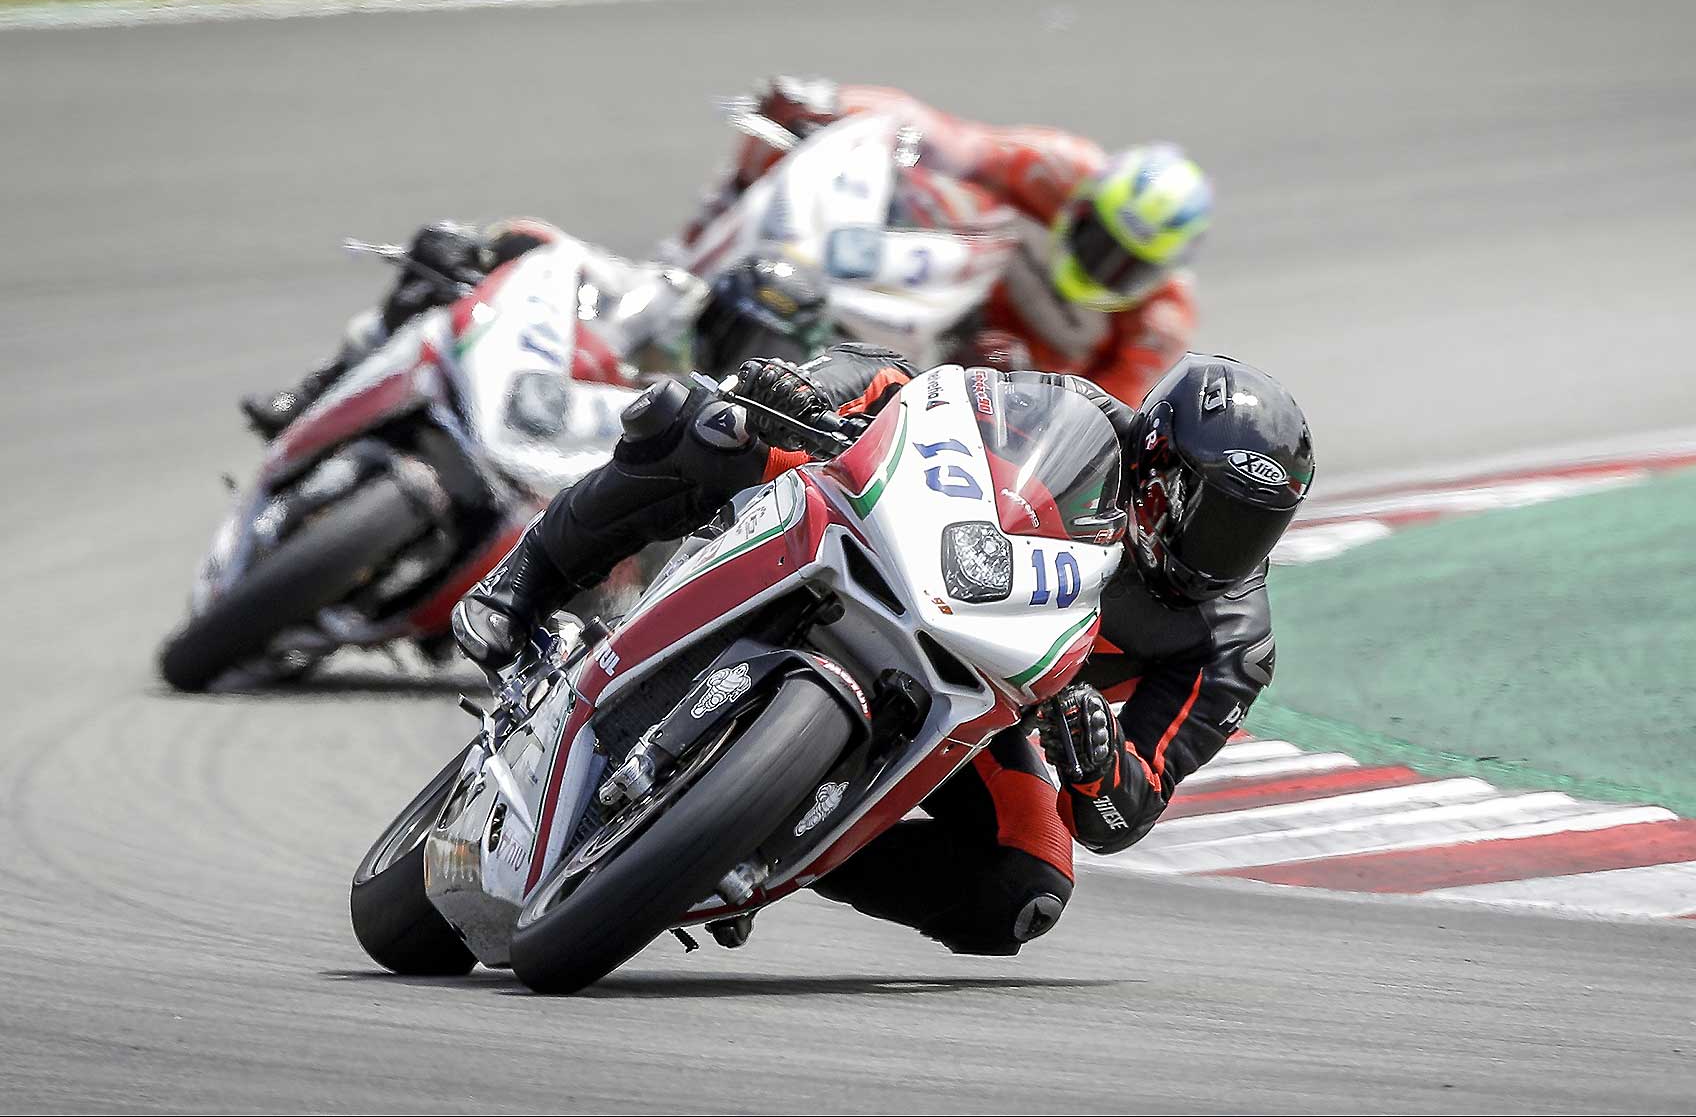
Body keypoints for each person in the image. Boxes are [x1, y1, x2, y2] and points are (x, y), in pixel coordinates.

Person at [451, 345, 1312, 957]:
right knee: (710, 420)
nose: (1220, 551)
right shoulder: (1083, 416)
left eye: (1251, 530)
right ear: (1159, 462)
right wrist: (813, 389)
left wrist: (1095, 761)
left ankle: (763, 842)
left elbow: (1128, 810)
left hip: (996, 699)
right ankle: (522, 581)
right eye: (1212, 513)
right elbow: (924, 388)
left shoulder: (1232, 644)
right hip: (904, 547)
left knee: (1029, 888)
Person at [679, 77, 1213, 406]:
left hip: (994, 397)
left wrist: (1028, 387)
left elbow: (1108, 420)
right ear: (1083, 201)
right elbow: (942, 137)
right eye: (1097, 238)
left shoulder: (1159, 329)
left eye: (1126, 266)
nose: (1099, 266)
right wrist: (828, 101)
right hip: (946, 279)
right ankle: (698, 253)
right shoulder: (1055, 167)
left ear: (1163, 272)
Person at [241, 220, 831, 440]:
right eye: (743, 329)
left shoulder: (735, 427)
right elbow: (572, 255)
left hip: (576, 462)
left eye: (771, 348)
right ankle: (313, 392)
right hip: (531, 377)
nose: (748, 353)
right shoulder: (665, 295)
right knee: (435, 269)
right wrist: (510, 245)